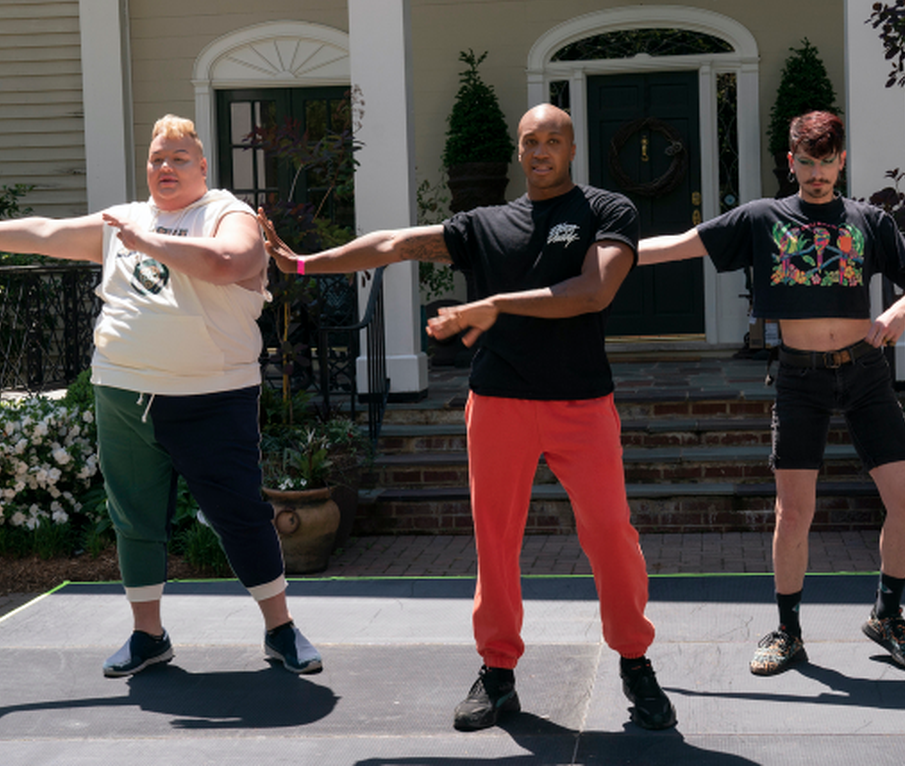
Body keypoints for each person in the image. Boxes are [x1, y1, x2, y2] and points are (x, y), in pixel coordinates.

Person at [262, 103, 676, 732]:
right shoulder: (485, 225)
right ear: (518, 151)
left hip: (581, 405)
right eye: (530, 141)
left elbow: (593, 292)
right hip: (500, 406)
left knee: (611, 539)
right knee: (496, 545)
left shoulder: (605, 210)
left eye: (553, 140)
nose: (541, 151)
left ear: (570, 149)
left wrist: (490, 305)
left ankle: (635, 662)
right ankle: (498, 673)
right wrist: (301, 263)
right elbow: (396, 244)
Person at [0, 114, 323, 678]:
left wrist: (148, 241)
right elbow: (45, 232)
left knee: (240, 515)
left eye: (178, 158)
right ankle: (148, 636)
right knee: (133, 518)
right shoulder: (125, 220)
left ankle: (280, 629)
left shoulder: (224, 214)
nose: (165, 168)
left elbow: (229, 262)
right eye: (156, 159)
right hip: (123, 392)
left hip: (211, 396)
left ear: (202, 166)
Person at [631, 111, 905, 675]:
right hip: (800, 378)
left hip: (866, 372)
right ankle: (788, 631)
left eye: (826, 163)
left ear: (841, 161)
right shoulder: (762, 218)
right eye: (806, 162)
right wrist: (608, 252)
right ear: (790, 160)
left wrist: (898, 309)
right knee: (793, 513)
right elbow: (679, 244)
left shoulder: (869, 220)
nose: (817, 174)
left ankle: (887, 614)